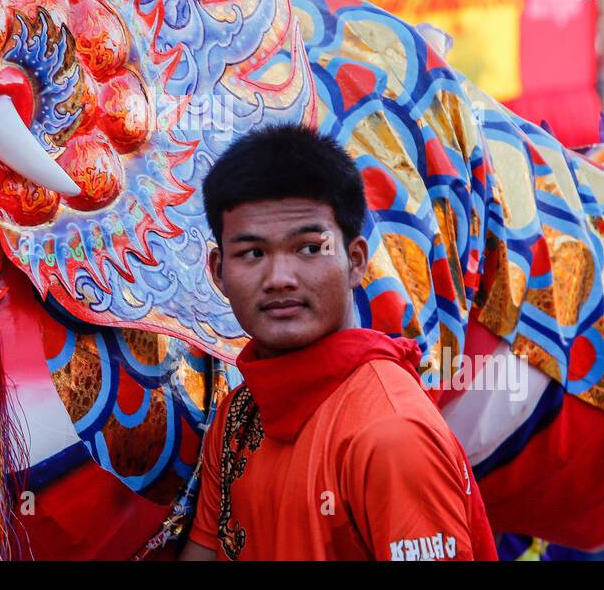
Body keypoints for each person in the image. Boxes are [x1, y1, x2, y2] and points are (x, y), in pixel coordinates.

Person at [181, 125, 497, 561]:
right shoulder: (238, 417)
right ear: (218, 271)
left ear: (355, 261)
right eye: (253, 253)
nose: (279, 279)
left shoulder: (390, 435)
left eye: (310, 248)